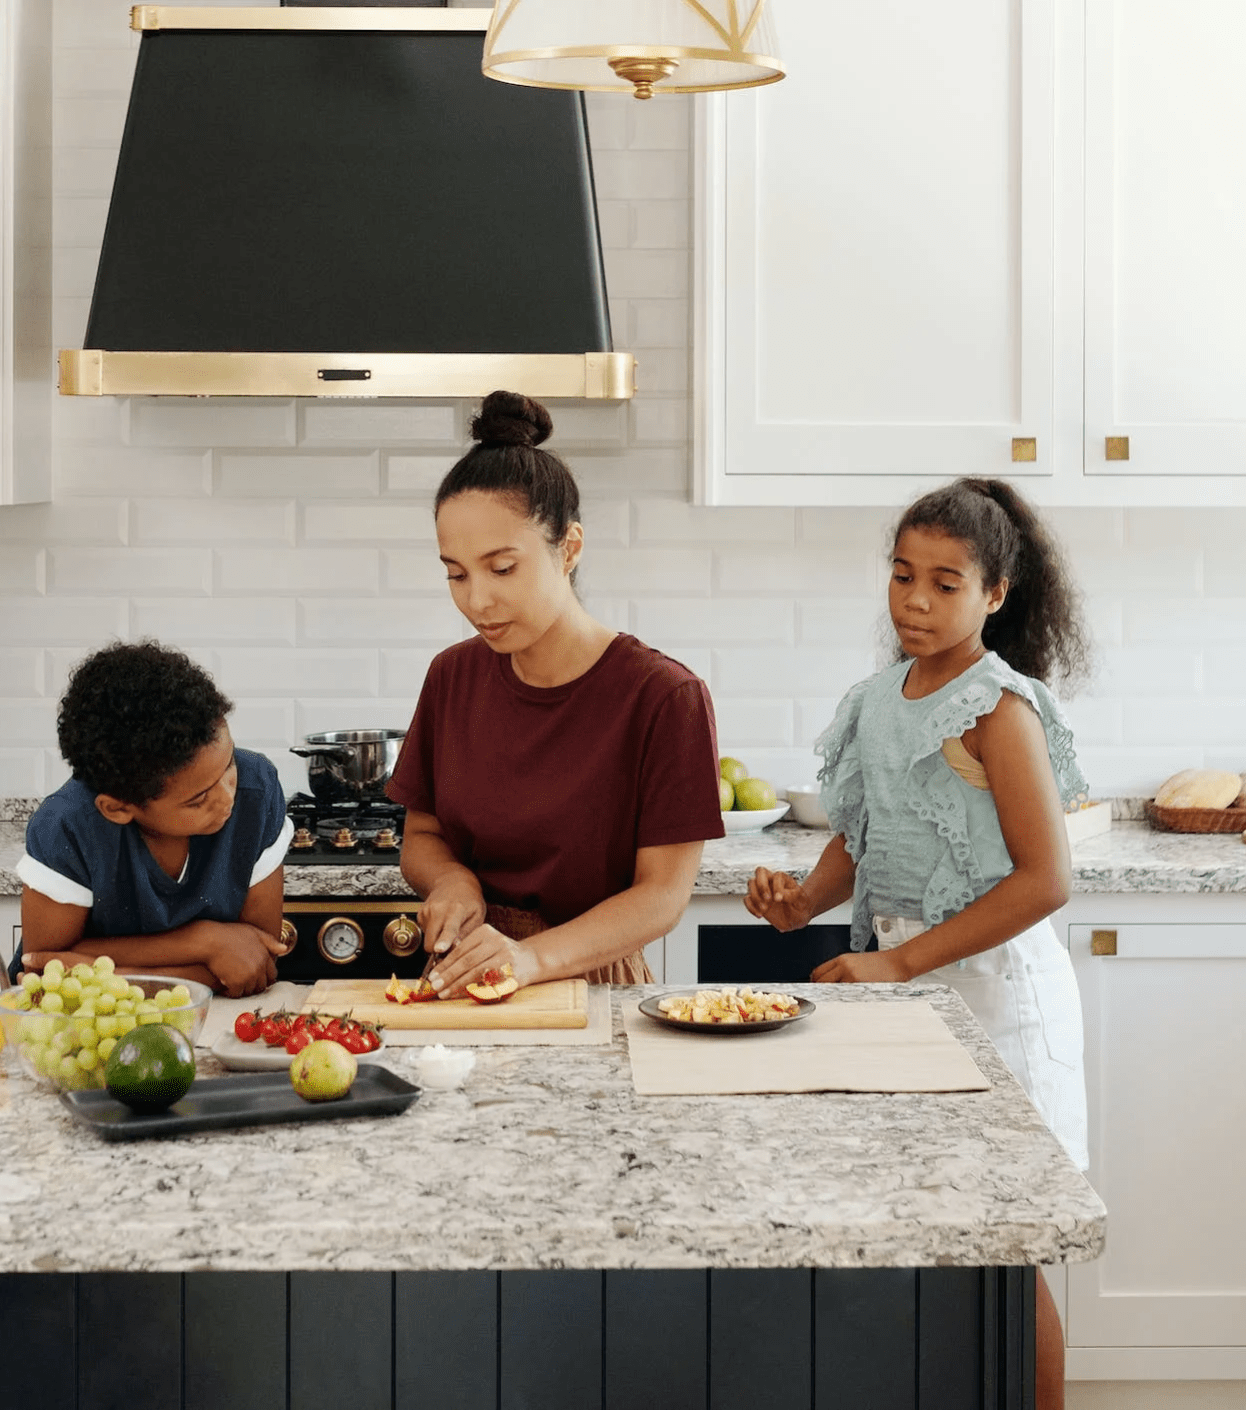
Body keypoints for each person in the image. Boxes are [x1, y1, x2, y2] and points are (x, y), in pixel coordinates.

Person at [743, 476, 1093, 1410]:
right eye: (902, 576)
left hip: (992, 992)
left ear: (994, 593)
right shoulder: (877, 698)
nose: (915, 601)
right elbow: (867, 834)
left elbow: (1043, 880)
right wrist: (801, 900)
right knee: (923, 1231)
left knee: (1007, 1251)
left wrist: (896, 961)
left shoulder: (999, 710)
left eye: (944, 583)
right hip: (909, 999)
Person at [387, 390, 724, 996]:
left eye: (502, 567)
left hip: (592, 980)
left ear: (568, 548)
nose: (476, 601)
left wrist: (532, 958)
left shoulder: (665, 698)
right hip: (464, 977)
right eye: (456, 574)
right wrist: (451, 881)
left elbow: (662, 897)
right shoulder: (451, 677)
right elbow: (423, 836)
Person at [13, 641, 292, 998]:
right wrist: (204, 942)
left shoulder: (257, 790)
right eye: (199, 799)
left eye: (229, 766)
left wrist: (101, 971)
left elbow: (254, 962)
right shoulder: (68, 827)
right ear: (118, 809)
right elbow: (42, 973)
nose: (227, 797)